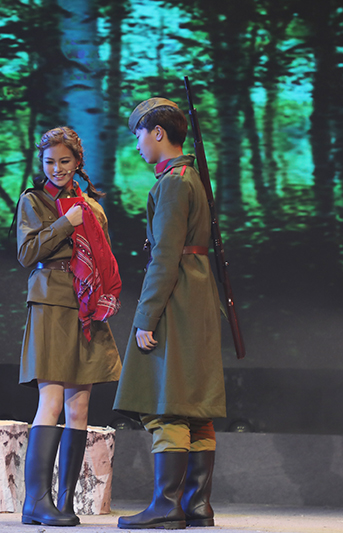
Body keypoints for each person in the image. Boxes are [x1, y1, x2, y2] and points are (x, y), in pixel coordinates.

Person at [113, 98, 227, 530]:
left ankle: (166, 506)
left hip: (177, 298)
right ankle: (197, 505)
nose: (138, 144)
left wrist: (146, 316)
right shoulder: (189, 176)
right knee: (195, 406)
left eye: (139, 135)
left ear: (158, 132)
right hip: (197, 295)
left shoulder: (174, 183)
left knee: (170, 405)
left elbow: (165, 256)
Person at [16, 126, 123, 527]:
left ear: (78, 162)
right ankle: (35, 502)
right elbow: (27, 252)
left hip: (85, 305)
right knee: (52, 400)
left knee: (80, 406)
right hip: (50, 301)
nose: (57, 168)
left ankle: (65, 504)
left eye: (64, 161)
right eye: (49, 162)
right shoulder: (34, 200)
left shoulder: (91, 206)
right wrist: (64, 223)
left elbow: (102, 258)